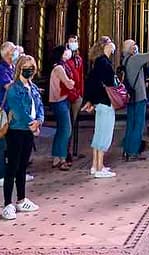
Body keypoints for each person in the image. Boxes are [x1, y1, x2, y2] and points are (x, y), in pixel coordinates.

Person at [1, 54, 43, 220]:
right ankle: (7, 204)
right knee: (12, 166)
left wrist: (39, 121)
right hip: (16, 130)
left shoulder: (33, 87)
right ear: (20, 68)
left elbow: (39, 106)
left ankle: (21, 199)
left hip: (29, 131)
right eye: (27, 67)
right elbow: (17, 110)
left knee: (23, 167)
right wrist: (31, 123)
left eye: (32, 67)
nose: (30, 70)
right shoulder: (13, 88)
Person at [120, 34, 149, 161]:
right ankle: (133, 151)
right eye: (133, 45)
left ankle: (127, 150)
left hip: (130, 96)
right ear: (129, 48)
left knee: (130, 124)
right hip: (138, 96)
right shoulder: (135, 59)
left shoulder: (125, 59)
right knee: (138, 125)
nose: (135, 47)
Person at [84, 37, 119, 178]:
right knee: (104, 134)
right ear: (106, 45)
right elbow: (110, 83)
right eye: (110, 42)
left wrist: (90, 101)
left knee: (98, 133)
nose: (113, 45)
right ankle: (99, 168)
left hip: (99, 102)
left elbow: (91, 84)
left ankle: (95, 165)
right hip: (105, 102)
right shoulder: (104, 63)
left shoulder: (97, 62)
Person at [0, 41, 17, 187]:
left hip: (14, 109)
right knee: (2, 143)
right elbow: (8, 86)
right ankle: (0, 174)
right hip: (3, 110)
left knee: (14, 143)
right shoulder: (0, 69)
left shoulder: (12, 67)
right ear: (7, 53)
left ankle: (14, 172)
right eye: (13, 50)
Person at [48, 45, 75, 170]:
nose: (68, 52)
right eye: (66, 51)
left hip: (58, 101)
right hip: (60, 101)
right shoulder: (59, 68)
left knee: (60, 130)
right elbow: (69, 84)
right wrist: (72, 82)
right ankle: (63, 158)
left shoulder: (59, 66)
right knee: (66, 130)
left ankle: (56, 157)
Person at [64, 33, 84, 162]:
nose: (73, 42)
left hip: (77, 94)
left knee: (73, 123)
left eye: (75, 40)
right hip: (67, 94)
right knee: (67, 125)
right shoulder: (65, 58)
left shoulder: (79, 59)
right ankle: (65, 152)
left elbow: (80, 77)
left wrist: (81, 93)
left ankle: (71, 150)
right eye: (71, 40)